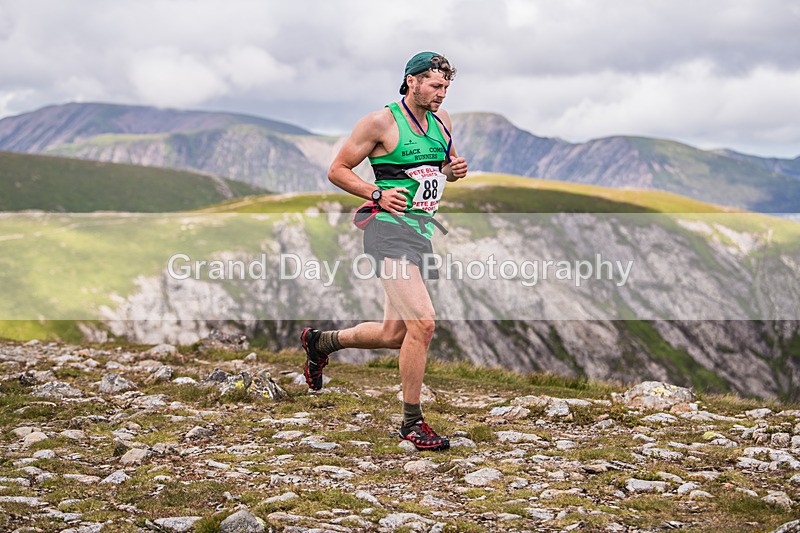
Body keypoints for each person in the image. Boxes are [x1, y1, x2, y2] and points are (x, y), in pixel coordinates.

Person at [300, 51, 468, 451]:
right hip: (386, 231)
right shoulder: (380, 122)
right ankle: (412, 422)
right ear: (411, 81)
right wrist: (376, 192)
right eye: (434, 85)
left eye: (446, 86)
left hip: (419, 232)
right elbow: (337, 169)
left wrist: (451, 172)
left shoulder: (441, 122)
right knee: (423, 324)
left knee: (396, 334)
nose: (442, 93)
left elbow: (435, 171)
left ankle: (321, 343)